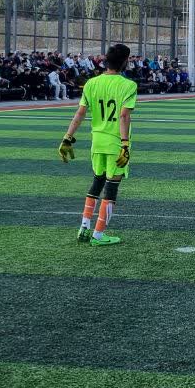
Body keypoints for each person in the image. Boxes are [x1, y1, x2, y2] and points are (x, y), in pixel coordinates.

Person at [59, 43, 136, 247]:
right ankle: (99, 235)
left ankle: (84, 228)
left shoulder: (91, 83)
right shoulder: (128, 85)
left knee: (97, 182)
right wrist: (125, 145)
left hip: (97, 142)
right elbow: (123, 116)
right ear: (125, 61)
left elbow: (80, 113)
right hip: (115, 144)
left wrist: (67, 138)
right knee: (111, 188)